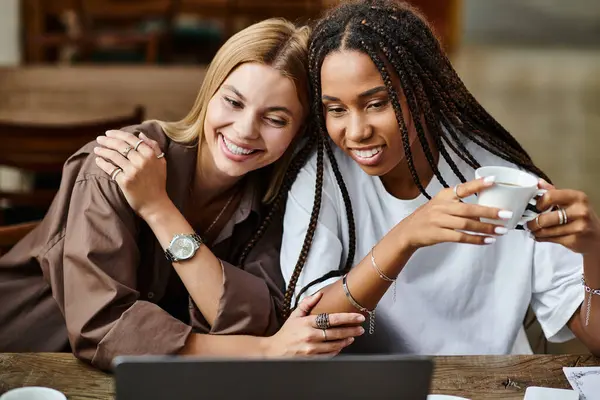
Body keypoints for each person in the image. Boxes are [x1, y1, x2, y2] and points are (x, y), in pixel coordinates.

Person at [0, 19, 364, 371]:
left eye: (276, 119)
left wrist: (159, 211)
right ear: (209, 93)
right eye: (233, 103)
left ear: (299, 132)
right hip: (27, 359)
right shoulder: (116, 166)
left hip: (138, 379)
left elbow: (259, 317)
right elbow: (106, 329)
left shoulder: (275, 198)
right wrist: (264, 351)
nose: (244, 131)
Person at [280, 0, 600, 356]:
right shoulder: (324, 175)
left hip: (494, 387)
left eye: (376, 103)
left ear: (422, 90)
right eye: (336, 109)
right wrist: (404, 238)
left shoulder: (499, 179)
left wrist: (594, 251)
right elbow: (312, 327)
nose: (356, 131)